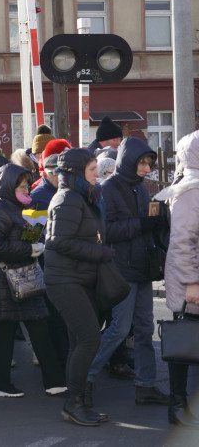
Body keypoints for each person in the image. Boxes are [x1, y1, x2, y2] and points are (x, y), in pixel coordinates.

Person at [85, 138, 170, 406]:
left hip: (143, 268)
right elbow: (106, 232)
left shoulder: (141, 189)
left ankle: (145, 386)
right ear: (129, 161)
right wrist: (143, 223)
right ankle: (83, 379)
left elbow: (143, 226)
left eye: (149, 164)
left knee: (145, 330)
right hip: (121, 268)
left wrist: (158, 222)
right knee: (119, 329)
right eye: (142, 163)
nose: (147, 169)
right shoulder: (108, 189)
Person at [0, 163, 66, 398]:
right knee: (6, 332)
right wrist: (28, 248)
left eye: (27, 185)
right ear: (9, 186)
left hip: (24, 275)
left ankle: (54, 381)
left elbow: (17, 238)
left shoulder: (19, 206)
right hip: (4, 279)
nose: (26, 189)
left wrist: (35, 235)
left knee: (39, 327)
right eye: (21, 186)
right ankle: (1, 384)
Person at [43, 148, 111, 427]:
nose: (97, 174)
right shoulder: (68, 199)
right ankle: (74, 403)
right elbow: (59, 241)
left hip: (79, 278)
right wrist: (102, 253)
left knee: (79, 342)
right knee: (89, 339)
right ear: (76, 173)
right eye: (92, 169)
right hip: (65, 280)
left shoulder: (83, 196)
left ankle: (77, 401)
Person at [156, 129, 199, 427]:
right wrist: (192, 283)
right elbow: (183, 240)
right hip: (192, 281)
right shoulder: (190, 189)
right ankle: (178, 404)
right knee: (184, 343)